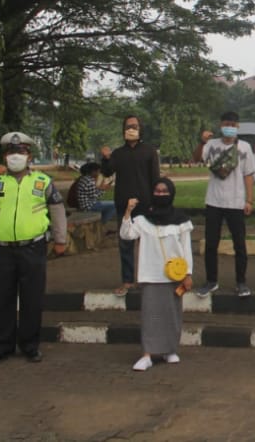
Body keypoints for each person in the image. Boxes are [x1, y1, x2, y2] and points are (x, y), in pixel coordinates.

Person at [0, 131, 68, 365]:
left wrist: (60, 239)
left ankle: (30, 346)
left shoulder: (42, 181)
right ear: (4, 156)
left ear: (29, 156)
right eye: (11, 152)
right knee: (1, 298)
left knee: (32, 298)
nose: (15, 156)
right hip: (0, 250)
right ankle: (2, 347)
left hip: (32, 248)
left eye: (20, 152)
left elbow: (57, 209)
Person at [119, 178, 194, 371]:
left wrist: (188, 274)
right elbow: (126, 235)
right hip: (150, 274)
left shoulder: (182, 220)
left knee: (172, 315)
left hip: (174, 275)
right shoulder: (143, 220)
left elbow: (186, 249)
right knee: (150, 316)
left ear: (171, 193)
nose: (160, 194)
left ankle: (170, 350)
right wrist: (128, 211)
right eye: (157, 191)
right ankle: (147, 354)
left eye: (164, 191)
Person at [196, 111, 255, 298]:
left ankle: (241, 282)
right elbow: (198, 158)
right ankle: (211, 281)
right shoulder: (212, 145)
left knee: (239, 244)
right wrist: (202, 141)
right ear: (220, 125)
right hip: (214, 201)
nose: (229, 127)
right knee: (211, 244)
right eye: (225, 123)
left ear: (237, 126)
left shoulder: (244, 147)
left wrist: (249, 200)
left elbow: (248, 174)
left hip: (236, 202)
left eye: (232, 124)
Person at [101, 114, 160, 296]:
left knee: (146, 244)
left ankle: (146, 279)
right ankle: (127, 280)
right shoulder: (118, 153)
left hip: (146, 205)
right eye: (128, 126)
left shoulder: (149, 151)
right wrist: (105, 157)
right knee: (125, 244)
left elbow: (155, 178)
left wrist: (156, 203)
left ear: (140, 129)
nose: (131, 129)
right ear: (123, 130)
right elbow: (107, 171)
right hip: (124, 206)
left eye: (134, 126)